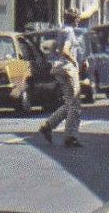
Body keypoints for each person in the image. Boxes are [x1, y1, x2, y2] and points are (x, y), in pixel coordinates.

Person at [36, 9, 87, 147]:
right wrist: (75, 61)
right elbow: (65, 50)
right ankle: (70, 135)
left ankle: (48, 125)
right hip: (68, 68)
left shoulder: (61, 30)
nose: (79, 21)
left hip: (59, 68)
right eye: (78, 19)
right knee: (75, 104)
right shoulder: (70, 32)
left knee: (70, 102)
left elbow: (55, 48)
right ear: (74, 19)